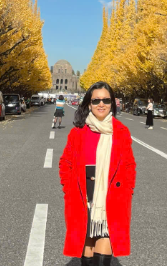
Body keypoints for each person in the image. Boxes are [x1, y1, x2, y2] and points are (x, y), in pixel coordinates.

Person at [59, 81, 136, 266]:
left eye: (106, 100)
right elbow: (65, 163)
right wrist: (69, 189)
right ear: (88, 104)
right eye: (96, 101)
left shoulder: (121, 132)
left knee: (103, 259)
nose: (101, 104)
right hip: (83, 197)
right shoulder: (77, 132)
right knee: (86, 254)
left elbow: (129, 165)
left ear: (112, 103)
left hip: (111, 199)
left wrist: (127, 191)